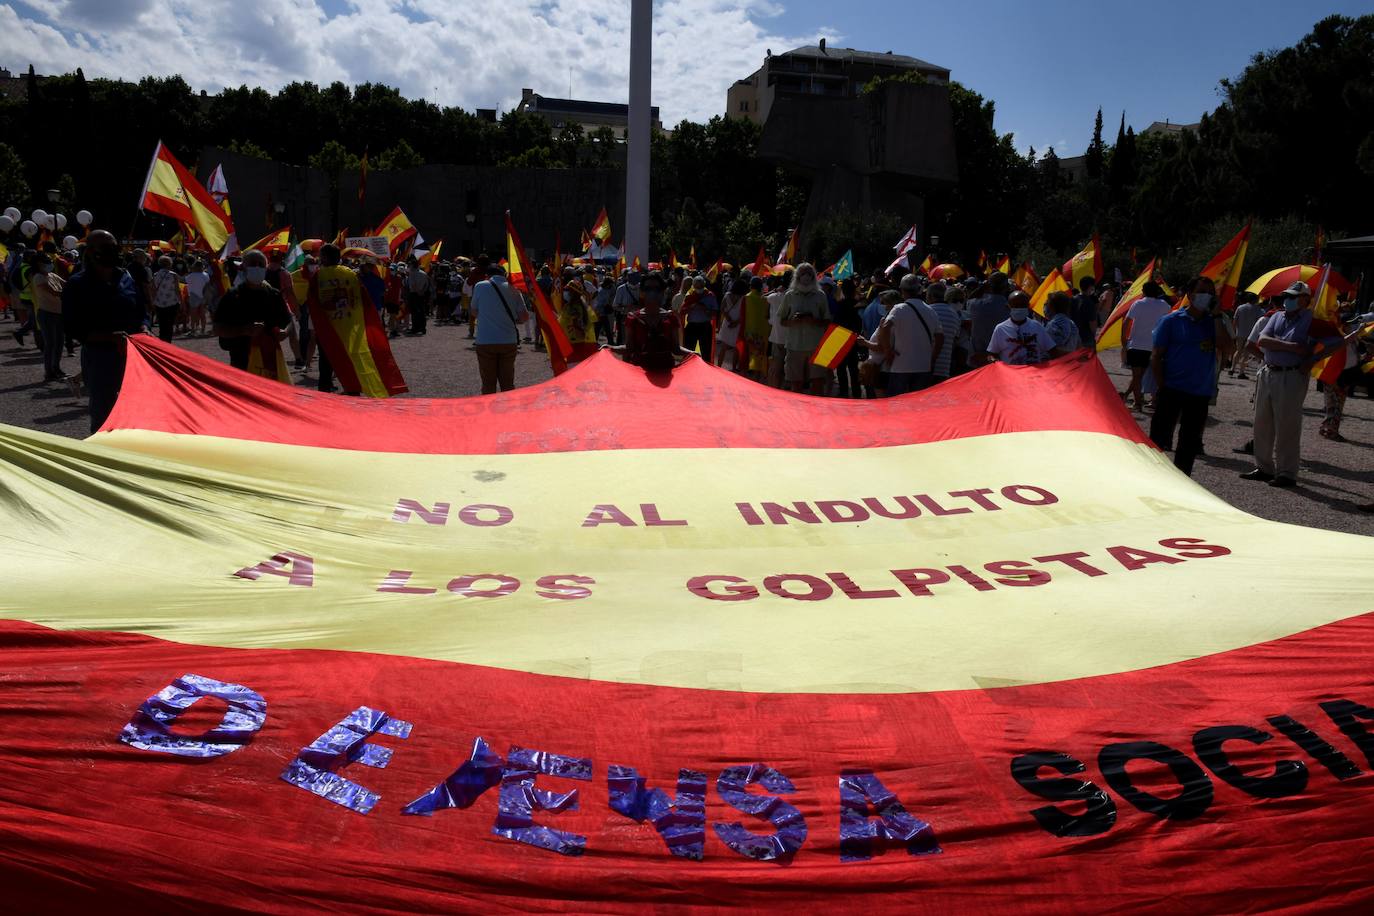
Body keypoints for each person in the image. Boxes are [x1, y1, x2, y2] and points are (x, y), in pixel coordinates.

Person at [1241, 281, 1357, 488]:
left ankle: (1286, 472)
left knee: (1287, 425)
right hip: (1269, 372)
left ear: (1305, 300)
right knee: (1262, 423)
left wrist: (1313, 359)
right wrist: (1293, 347)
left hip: (1291, 375)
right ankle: (1264, 467)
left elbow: (1338, 341)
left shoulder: (1313, 320)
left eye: (1293, 296)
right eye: (1287, 295)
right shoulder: (1276, 316)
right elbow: (1262, 341)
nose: (1288, 300)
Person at [60, 230, 144, 432]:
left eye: (114, 247)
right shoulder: (77, 284)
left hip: (133, 357)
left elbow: (141, 311)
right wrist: (108, 337)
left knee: (136, 411)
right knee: (103, 415)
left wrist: (144, 327)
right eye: (106, 248)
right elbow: (72, 326)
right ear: (90, 252)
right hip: (100, 358)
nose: (112, 252)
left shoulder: (126, 278)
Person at [1148, 278, 1233, 476]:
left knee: (1188, 446)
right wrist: (1162, 386)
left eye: (1211, 292)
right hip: (1172, 389)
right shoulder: (1171, 321)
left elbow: (1227, 348)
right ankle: (1152, 481)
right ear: (1190, 294)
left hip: (1199, 393)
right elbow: (1156, 356)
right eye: (1202, 291)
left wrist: (1217, 316)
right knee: (1158, 442)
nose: (1207, 296)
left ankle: (1181, 484)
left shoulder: (1215, 322)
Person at [212, 249, 292, 373]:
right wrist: (244, 330)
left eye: (261, 264)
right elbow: (217, 328)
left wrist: (285, 332)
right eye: (253, 264)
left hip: (270, 360)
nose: (257, 267)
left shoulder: (274, 294)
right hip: (241, 360)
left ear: (266, 268)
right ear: (243, 267)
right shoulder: (232, 295)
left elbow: (288, 321)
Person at [873, 273, 943, 395]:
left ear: (901, 290)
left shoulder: (898, 309)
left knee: (897, 405)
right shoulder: (930, 310)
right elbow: (940, 337)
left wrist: (888, 351)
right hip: (923, 366)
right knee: (918, 407)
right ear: (919, 290)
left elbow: (885, 327)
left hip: (901, 366)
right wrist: (932, 358)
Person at [470, 263, 528, 394]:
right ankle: (507, 412)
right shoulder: (514, 288)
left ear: (487, 276)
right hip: (508, 340)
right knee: (507, 383)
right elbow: (524, 316)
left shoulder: (480, 286)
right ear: (505, 275)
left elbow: (473, 311)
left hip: (485, 340)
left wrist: (487, 316)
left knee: (488, 384)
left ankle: (489, 411)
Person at [616, 272, 687, 372]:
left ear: (662, 292)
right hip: (640, 373)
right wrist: (609, 349)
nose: (652, 293)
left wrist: (694, 354)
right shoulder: (633, 318)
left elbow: (676, 349)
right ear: (642, 292)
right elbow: (629, 348)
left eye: (656, 289)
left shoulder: (671, 318)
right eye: (648, 289)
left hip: (665, 372)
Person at [778, 262, 830, 394]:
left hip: (816, 346)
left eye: (809, 273)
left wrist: (813, 321)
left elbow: (827, 321)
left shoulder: (820, 295)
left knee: (817, 382)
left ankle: (816, 412)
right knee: (796, 383)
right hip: (794, 346)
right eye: (802, 274)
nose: (805, 277)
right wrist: (792, 321)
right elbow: (782, 320)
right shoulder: (789, 295)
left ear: (813, 276)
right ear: (797, 276)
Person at [1120, 281, 1172, 411]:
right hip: (1155, 346)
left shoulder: (1138, 304)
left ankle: (1137, 403)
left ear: (1143, 291)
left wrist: (1124, 339)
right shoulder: (1165, 305)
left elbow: (1126, 322)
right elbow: (1169, 323)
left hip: (1137, 344)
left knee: (1137, 376)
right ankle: (1131, 397)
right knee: (1142, 376)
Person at [987, 291, 1056, 365]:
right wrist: (995, 361)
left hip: (1033, 374)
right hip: (1012, 375)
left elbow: (1053, 351)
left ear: (1028, 306)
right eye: (1016, 305)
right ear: (1008, 306)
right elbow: (991, 354)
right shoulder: (1000, 329)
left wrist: (1069, 357)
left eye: (1022, 305)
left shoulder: (1037, 326)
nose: (1019, 308)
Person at [30, 251, 67, 381]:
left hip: (58, 313)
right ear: (39, 264)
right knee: (50, 344)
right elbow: (54, 292)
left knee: (59, 343)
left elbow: (66, 284)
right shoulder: (38, 277)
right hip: (47, 314)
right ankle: (49, 372)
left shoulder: (52, 275)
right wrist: (68, 293)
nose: (50, 263)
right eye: (47, 261)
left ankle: (56, 368)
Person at [969, 273, 1011, 366]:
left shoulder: (973, 304)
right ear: (1006, 287)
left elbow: (970, 298)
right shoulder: (1009, 308)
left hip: (978, 357)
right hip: (1000, 358)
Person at [925, 280, 962, 384]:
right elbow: (955, 341)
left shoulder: (927, 311)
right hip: (945, 367)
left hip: (926, 366)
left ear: (931, 296)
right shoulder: (955, 314)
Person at [679, 275, 718, 361]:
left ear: (704, 285)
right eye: (697, 286)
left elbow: (715, 312)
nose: (698, 288)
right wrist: (691, 307)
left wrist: (705, 309)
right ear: (693, 286)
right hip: (691, 327)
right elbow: (682, 311)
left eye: (700, 286)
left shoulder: (710, 295)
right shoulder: (689, 295)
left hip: (705, 327)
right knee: (688, 352)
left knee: (706, 352)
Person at [1229, 291, 1263, 379]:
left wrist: (1233, 332)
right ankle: (1241, 372)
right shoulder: (1257, 309)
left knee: (1238, 351)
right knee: (1246, 354)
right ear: (1255, 299)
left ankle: (1232, 369)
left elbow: (1235, 320)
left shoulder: (1240, 307)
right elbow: (1259, 321)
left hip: (1240, 333)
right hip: (1251, 334)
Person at [715, 278, 746, 370]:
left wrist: (728, 319)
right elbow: (743, 313)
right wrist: (736, 322)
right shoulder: (744, 298)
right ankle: (733, 368)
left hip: (727, 323)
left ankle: (719, 366)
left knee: (723, 347)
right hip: (737, 324)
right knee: (736, 348)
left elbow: (722, 308)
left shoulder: (727, 295)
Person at [149, 255, 181, 342]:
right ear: (169, 264)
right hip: (172, 302)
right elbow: (177, 290)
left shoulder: (155, 275)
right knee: (170, 325)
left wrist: (152, 301)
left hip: (159, 303)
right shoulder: (174, 275)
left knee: (162, 325)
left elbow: (153, 289)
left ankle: (162, 342)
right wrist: (181, 301)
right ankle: (168, 343)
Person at [404, 257, 433, 335]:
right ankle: (423, 328)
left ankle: (415, 328)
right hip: (422, 294)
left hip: (414, 294)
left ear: (413, 265)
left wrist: (417, 291)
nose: (409, 266)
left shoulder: (412, 274)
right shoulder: (424, 273)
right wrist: (422, 291)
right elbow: (427, 285)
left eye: (410, 265)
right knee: (422, 311)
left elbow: (413, 285)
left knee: (414, 312)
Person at [612, 271, 641, 345]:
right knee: (626, 341)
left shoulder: (642, 288)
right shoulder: (621, 289)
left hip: (640, 318)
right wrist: (625, 309)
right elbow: (615, 306)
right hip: (626, 318)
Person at [1071, 276, 1099, 346]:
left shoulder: (1072, 299)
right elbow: (1092, 323)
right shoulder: (1089, 302)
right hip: (1086, 338)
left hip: (1073, 337)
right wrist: (1093, 334)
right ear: (1090, 287)